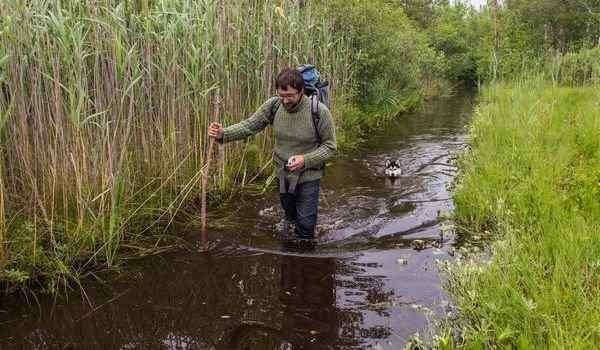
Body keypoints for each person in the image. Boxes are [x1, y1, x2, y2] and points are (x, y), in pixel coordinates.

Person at [208, 67, 336, 240]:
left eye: (290, 95)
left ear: (301, 92)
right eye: (281, 95)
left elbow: (330, 146)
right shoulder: (274, 105)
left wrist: (305, 160)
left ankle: (303, 262)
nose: (285, 101)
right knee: (289, 218)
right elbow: (249, 125)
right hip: (282, 173)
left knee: (305, 227)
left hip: (309, 175)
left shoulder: (319, 112)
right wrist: (224, 134)